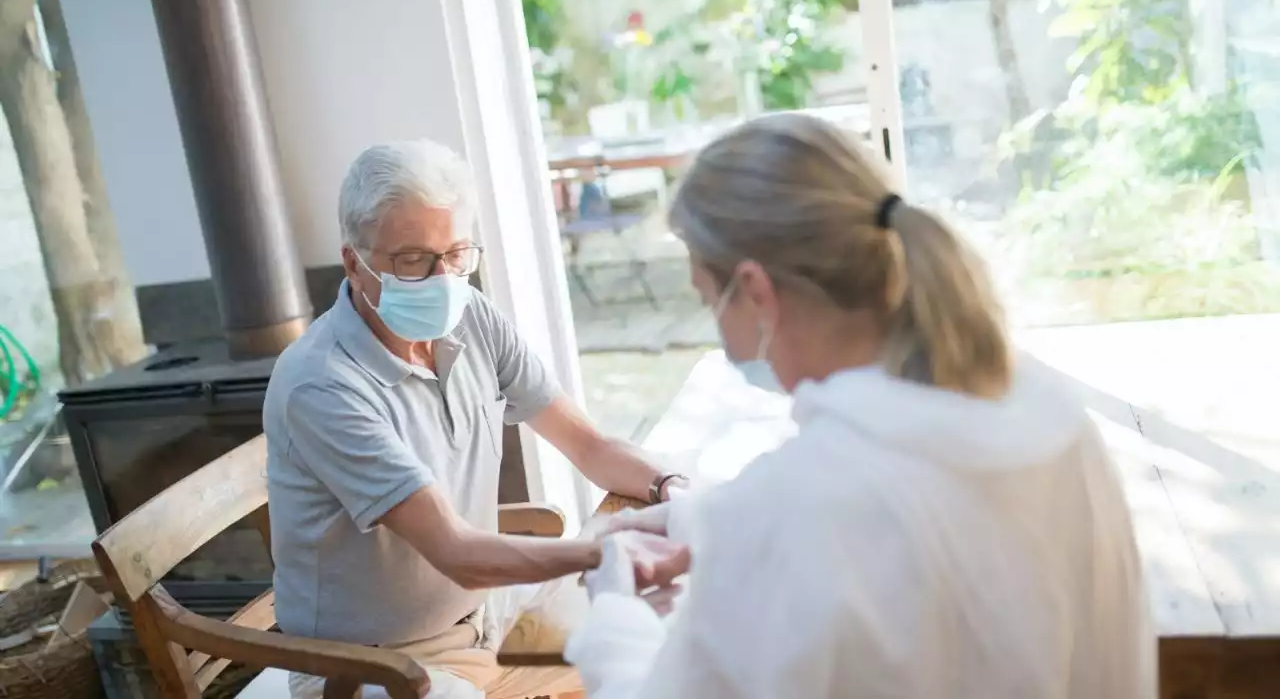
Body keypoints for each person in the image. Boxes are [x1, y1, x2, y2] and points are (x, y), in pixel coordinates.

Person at [564, 113, 1156, 699]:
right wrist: (705, 522)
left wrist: (615, 613)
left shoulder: (794, 511)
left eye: (708, 299)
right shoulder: (1047, 414)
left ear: (755, 291)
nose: (722, 337)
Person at [263, 139, 689, 699]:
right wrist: (605, 548)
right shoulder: (322, 384)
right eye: (413, 259)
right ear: (354, 262)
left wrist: (670, 488)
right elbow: (458, 553)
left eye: (457, 254)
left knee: (670, 634)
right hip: (371, 668)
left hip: (485, 612)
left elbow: (589, 447)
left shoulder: (471, 318)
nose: (443, 278)